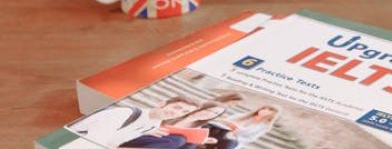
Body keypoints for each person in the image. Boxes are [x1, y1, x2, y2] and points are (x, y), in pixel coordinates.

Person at [68, 97, 199, 148]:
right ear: (161, 103)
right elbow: (93, 143)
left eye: (183, 112)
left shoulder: (154, 125)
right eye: (176, 107)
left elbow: (115, 142)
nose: (176, 113)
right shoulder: (123, 114)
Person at [121, 102, 227, 149]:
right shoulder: (178, 112)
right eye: (210, 110)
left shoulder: (198, 127)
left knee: (189, 144)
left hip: (158, 144)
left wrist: (202, 141)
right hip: (140, 135)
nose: (210, 114)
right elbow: (145, 123)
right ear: (202, 108)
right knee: (178, 140)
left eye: (215, 114)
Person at [203, 105, 280, 149]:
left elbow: (250, 138)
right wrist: (229, 127)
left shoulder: (264, 126)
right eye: (264, 108)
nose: (264, 110)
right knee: (209, 126)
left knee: (230, 142)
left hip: (234, 140)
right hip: (221, 132)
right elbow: (222, 121)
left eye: (269, 110)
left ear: (272, 114)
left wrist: (234, 136)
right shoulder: (241, 115)